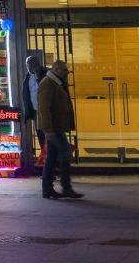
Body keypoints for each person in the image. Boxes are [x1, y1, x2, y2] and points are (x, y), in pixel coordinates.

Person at [38, 59, 83, 199]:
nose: (67, 73)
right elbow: (44, 109)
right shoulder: (48, 84)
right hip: (53, 129)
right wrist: (48, 130)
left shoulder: (56, 83)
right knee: (65, 154)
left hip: (56, 127)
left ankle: (48, 189)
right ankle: (65, 187)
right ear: (57, 70)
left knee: (51, 158)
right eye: (65, 70)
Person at [21, 54, 49, 157]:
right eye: (27, 64)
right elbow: (26, 94)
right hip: (36, 112)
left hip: (46, 112)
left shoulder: (46, 73)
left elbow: (46, 89)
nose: (28, 66)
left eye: (31, 64)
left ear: (37, 64)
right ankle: (47, 160)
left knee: (50, 137)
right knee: (41, 138)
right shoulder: (28, 76)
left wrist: (38, 76)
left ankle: (53, 161)